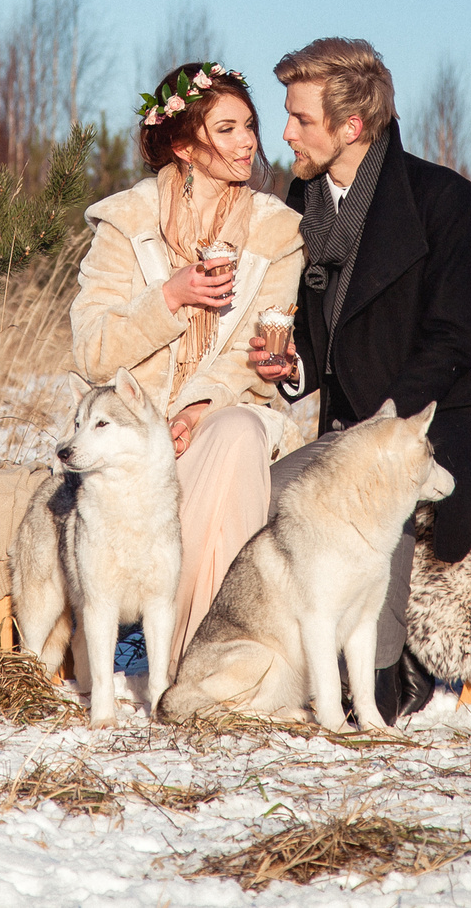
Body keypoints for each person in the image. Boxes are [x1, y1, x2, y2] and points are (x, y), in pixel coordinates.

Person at [248, 36, 471, 723]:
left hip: (446, 414)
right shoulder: (306, 199)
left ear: (351, 126)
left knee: (378, 481)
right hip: (351, 426)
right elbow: (322, 337)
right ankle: (269, 667)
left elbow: (453, 336)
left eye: (300, 119)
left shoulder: (443, 199)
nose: (284, 133)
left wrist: (386, 425)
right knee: (262, 495)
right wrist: (292, 367)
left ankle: (380, 678)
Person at [69, 61, 307, 662]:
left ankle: (210, 655)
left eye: (249, 126)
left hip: (225, 415)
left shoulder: (279, 234)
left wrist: (199, 406)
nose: (247, 142)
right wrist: (169, 298)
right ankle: (204, 659)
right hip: (134, 427)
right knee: (180, 457)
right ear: (183, 146)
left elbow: (257, 352)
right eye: (226, 129)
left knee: (236, 433)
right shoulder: (125, 224)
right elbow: (92, 351)